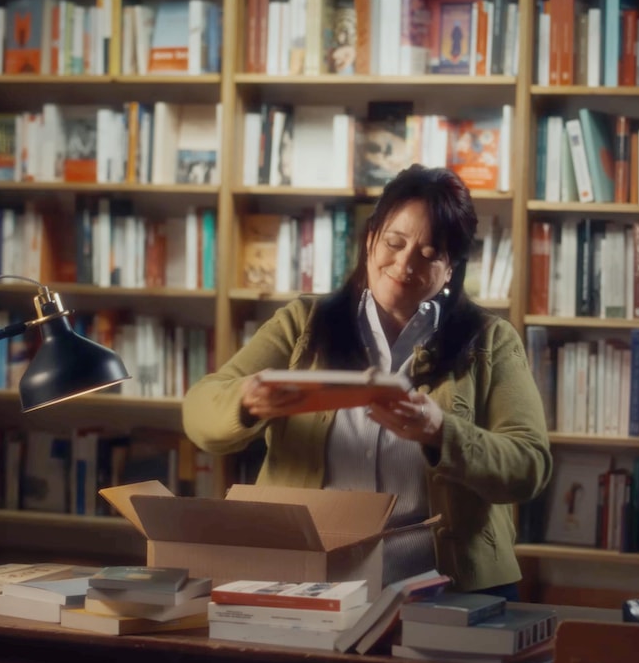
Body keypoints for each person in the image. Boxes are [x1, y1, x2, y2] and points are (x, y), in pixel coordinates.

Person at [183, 165, 551, 599]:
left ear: (451, 269)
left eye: (430, 253)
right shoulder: (304, 323)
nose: (405, 264)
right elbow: (200, 410)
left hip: (445, 589)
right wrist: (245, 401)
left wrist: (442, 433)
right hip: (307, 582)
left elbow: (529, 466)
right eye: (394, 243)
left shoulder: (490, 340)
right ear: (371, 238)